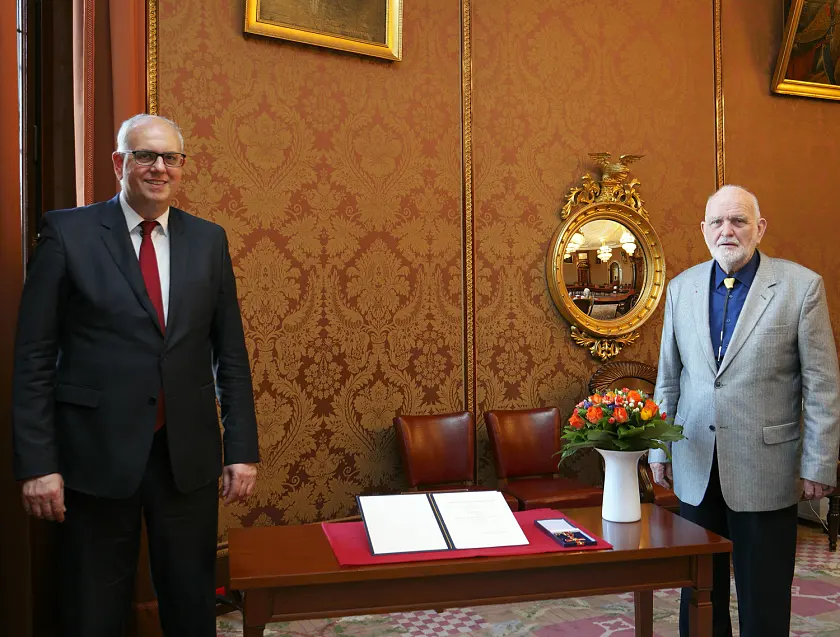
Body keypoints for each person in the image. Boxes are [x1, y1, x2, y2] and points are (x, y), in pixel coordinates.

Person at [12, 114, 260, 637]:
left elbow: (230, 354)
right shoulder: (68, 232)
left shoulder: (208, 240)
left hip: (186, 455)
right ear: (119, 163)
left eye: (170, 157)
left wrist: (240, 448)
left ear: (183, 167)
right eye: (146, 155)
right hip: (94, 456)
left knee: (192, 607)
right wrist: (38, 462)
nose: (159, 168)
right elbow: (34, 356)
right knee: (92, 610)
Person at [649, 184, 840, 637]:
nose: (727, 231)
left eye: (738, 220)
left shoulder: (800, 287)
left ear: (760, 228)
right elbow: (668, 379)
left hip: (765, 467)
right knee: (698, 590)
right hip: (696, 463)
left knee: (764, 595)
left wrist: (817, 462)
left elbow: (822, 386)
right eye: (717, 222)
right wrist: (659, 449)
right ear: (703, 229)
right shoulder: (681, 288)